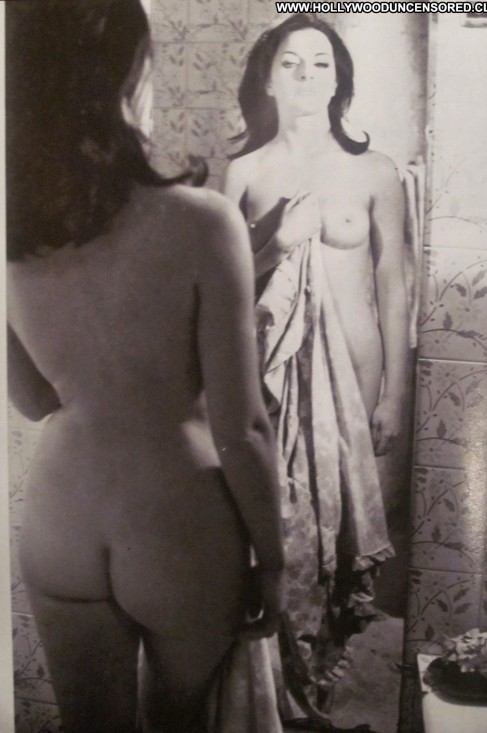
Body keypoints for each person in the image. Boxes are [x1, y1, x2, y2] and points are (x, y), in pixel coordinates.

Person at [6, 2, 284, 732]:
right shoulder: (202, 221)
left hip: (62, 513)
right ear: (132, 71)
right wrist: (277, 561)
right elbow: (243, 429)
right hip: (177, 516)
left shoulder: (12, 227)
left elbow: (32, 399)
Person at [222, 13, 408, 728]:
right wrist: (276, 244)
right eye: (291, 63)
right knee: (280, 537)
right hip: (269, 387)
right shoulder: (245, 173)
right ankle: (280, 706)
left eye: (321, 63)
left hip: (357, 382)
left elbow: (393, 286)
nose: (306, 76)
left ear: (340, 82)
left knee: (337, 543)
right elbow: (222, 289)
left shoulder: (376, 171)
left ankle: (319, 694)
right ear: (267, 81)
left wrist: (394, 395)